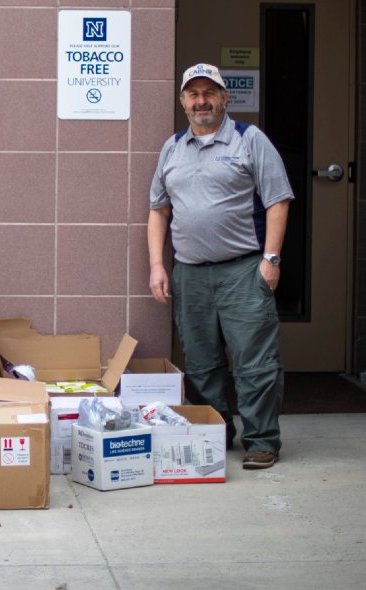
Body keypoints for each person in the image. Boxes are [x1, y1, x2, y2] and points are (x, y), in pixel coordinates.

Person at [148, 63, 293, 470]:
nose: (201, 101)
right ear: (182, 102)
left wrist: (271, 259)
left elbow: (278, 200)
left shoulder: (250, 140)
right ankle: (216, 433)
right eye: (192, 94)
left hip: (243, 270)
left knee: (254, 362)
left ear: (224, 98)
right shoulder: (172, 147)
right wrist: (158, 266)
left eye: (209, 93)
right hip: (190, 273)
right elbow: (158, 210)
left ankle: (262, 440)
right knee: (201, 363)